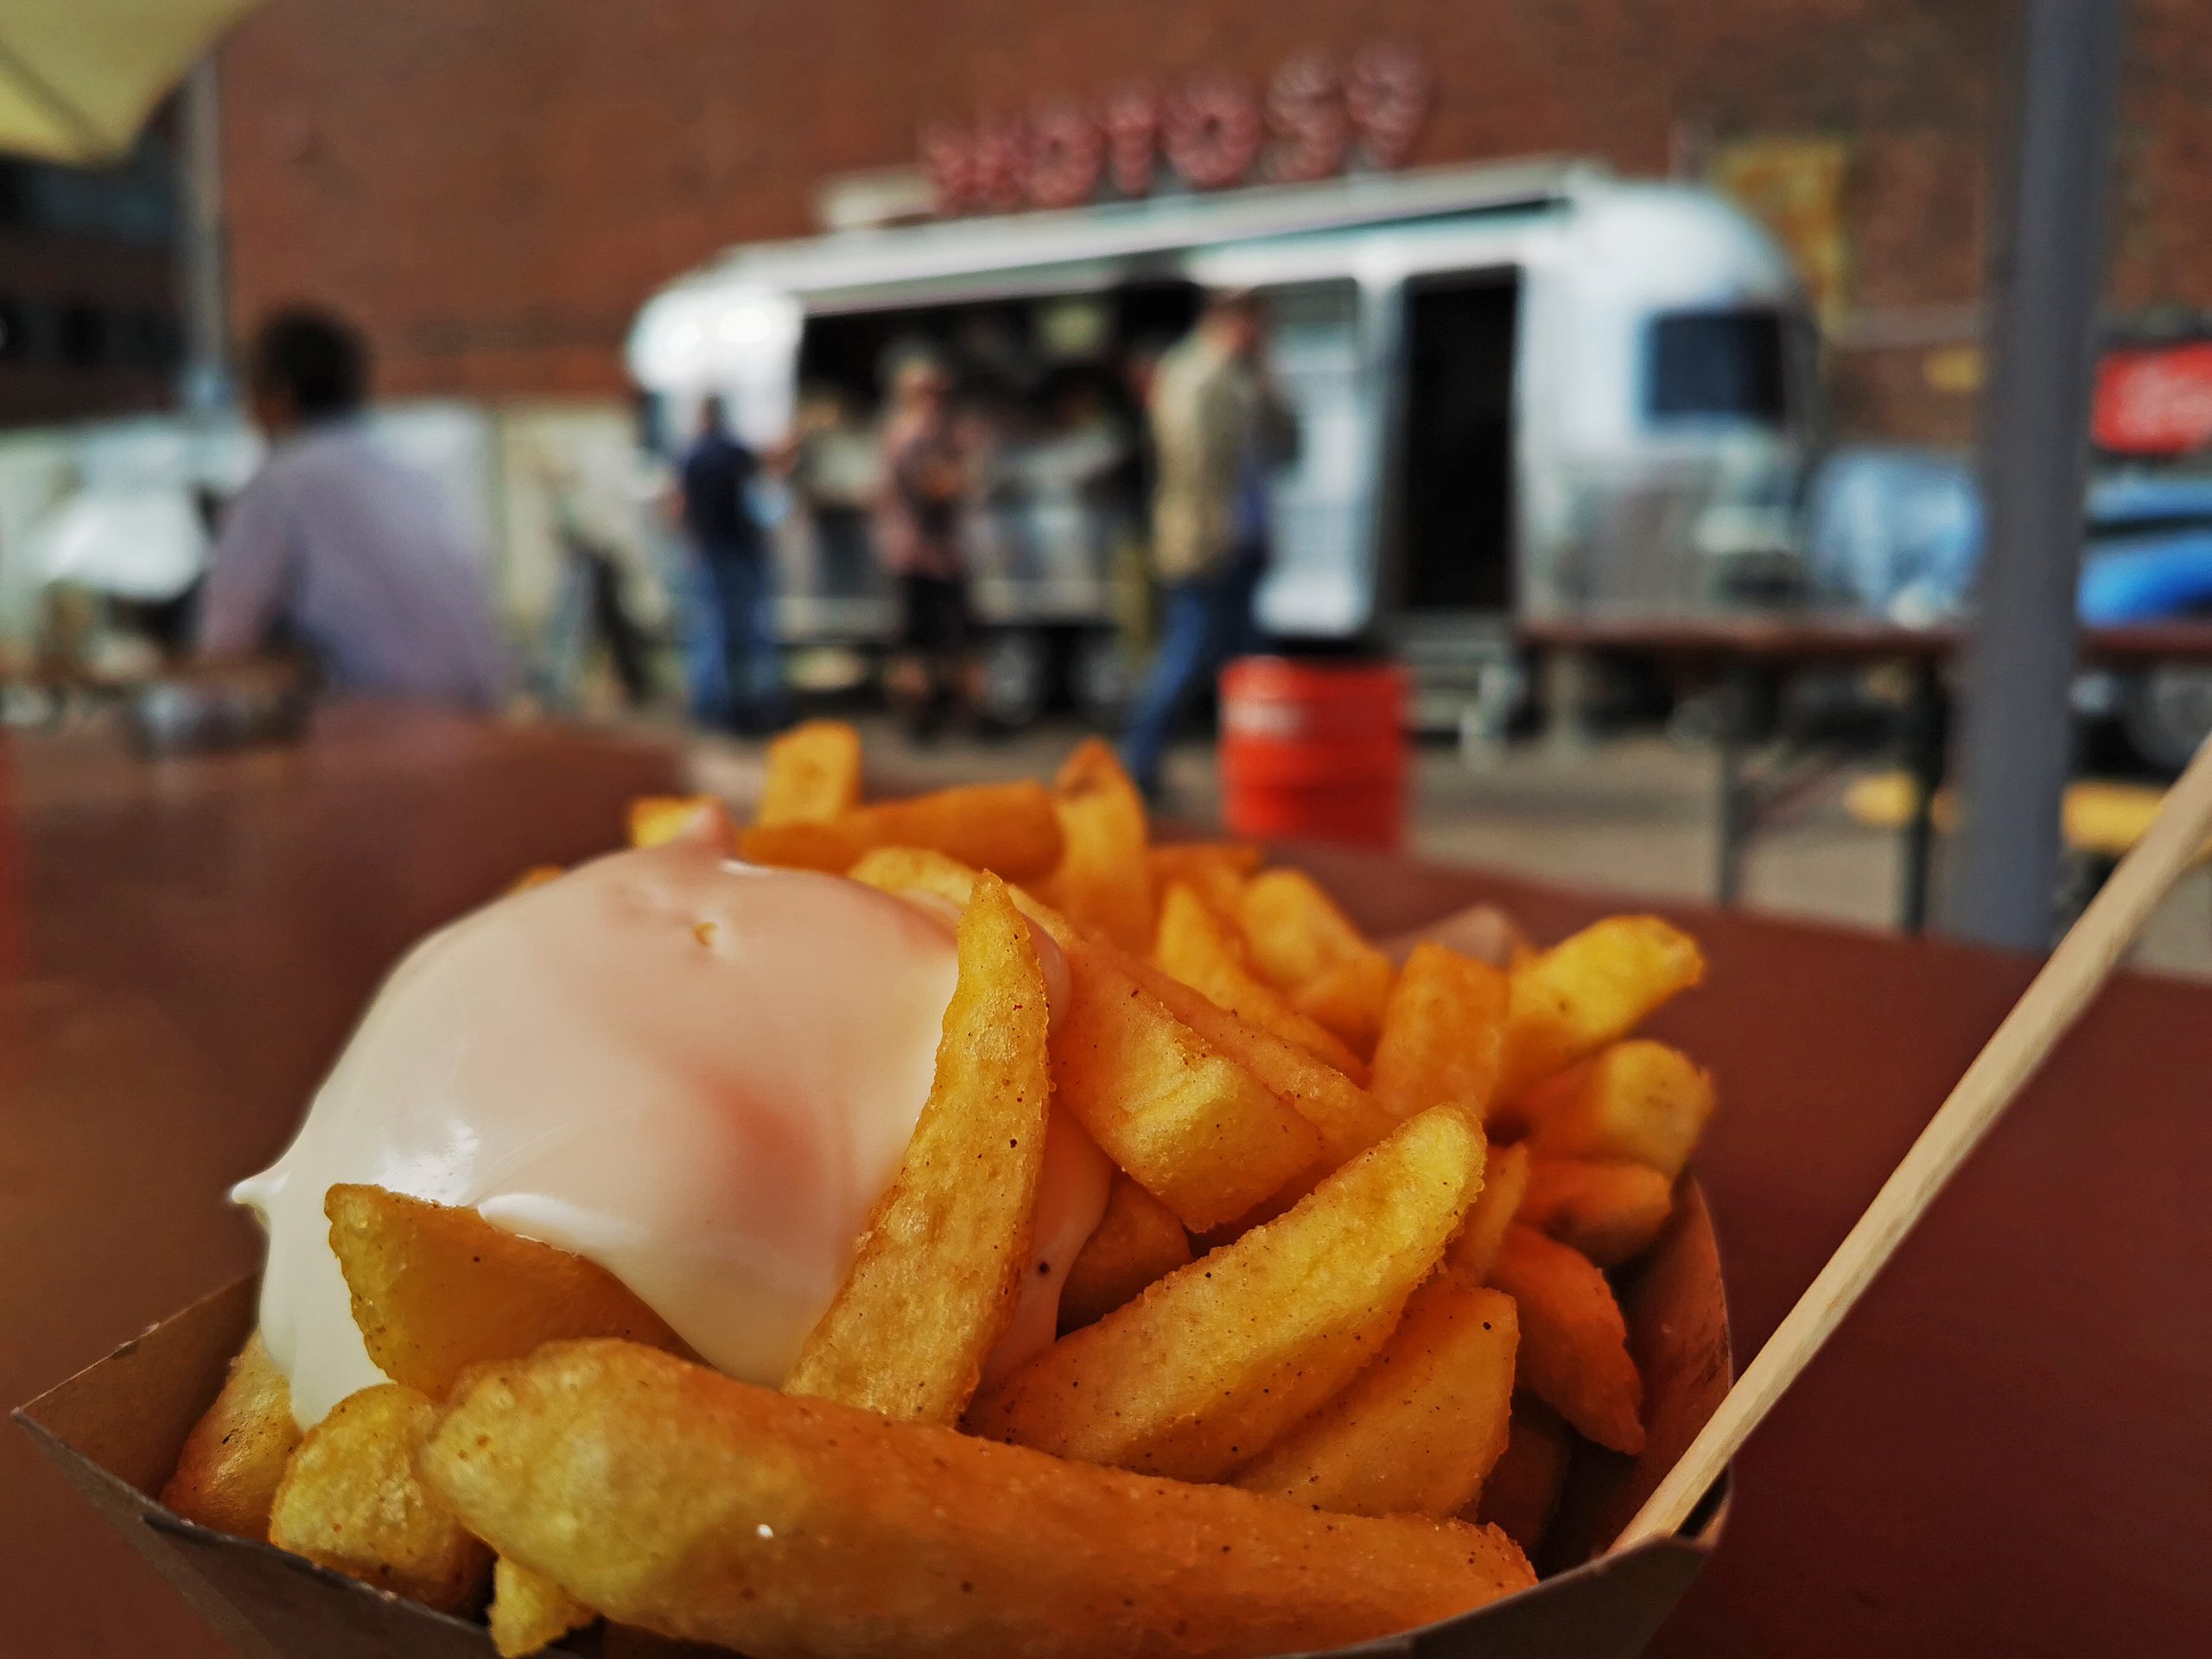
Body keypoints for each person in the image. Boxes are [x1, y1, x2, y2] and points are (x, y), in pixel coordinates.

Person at [197, 308, 509, 708]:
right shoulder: (407, 473)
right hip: (487, 715)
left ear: (279, 396)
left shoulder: (282, 481)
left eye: (250, 392)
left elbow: (225, 645)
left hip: (392, 728)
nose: (248, 413)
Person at [1120, 290, 1297, 797]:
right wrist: (1205, 540)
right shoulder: (1193, 374)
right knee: (1189, 651)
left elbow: (1289, 448)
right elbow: (1191, 464)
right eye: (1255, 324)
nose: (1261, 336)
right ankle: (1139, 760)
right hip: (1206, 544)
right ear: (1229, 320)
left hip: (1245, 541)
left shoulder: (1247, 378)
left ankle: (1259, 779)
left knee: (1245, 665)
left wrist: (1266, 380)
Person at [874, 356, 974, 740]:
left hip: (938, 557)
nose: (939, 399)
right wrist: (959, 479)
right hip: (917, 556)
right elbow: (934, 487)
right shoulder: (909, 435)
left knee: (945, 643)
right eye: (931, 391)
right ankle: (916, 722)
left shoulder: (935, 432)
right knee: (916, 646)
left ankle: (936, 716)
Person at [675, 395, 785, 734]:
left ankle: (711, 707)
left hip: (711, 552)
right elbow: (762, 499)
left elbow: (680, 508)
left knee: (712, 630)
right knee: (752, 629)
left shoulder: (691, 457)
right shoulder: (739, 453)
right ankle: (759, 705)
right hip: (742, 552)